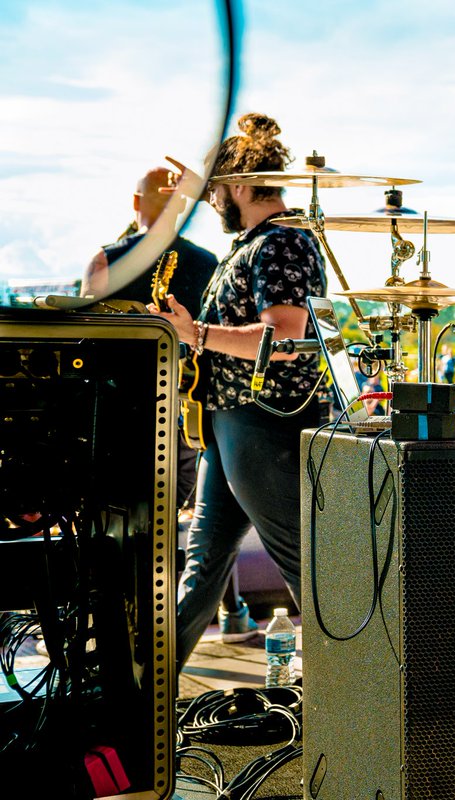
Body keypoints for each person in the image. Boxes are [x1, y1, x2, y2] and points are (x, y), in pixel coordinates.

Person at [149, 113, 326, 671]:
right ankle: (145, 693)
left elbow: (286, 332)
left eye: (221, 192)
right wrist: (204, 183)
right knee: (202, 564)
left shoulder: (279, 244)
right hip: (233, 423)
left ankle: (351, 698)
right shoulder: (256, 240)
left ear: (246, 188)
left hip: (263, 423)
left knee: (303, 566)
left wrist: (194, 333)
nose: (214, 203)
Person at [82, 167, 220, 514]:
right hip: (183, 410)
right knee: (169, 517)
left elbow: (84, 345)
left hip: (117, 411)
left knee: (115, 518)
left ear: (135, 202)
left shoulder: (104, 261)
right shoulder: (209, 263)